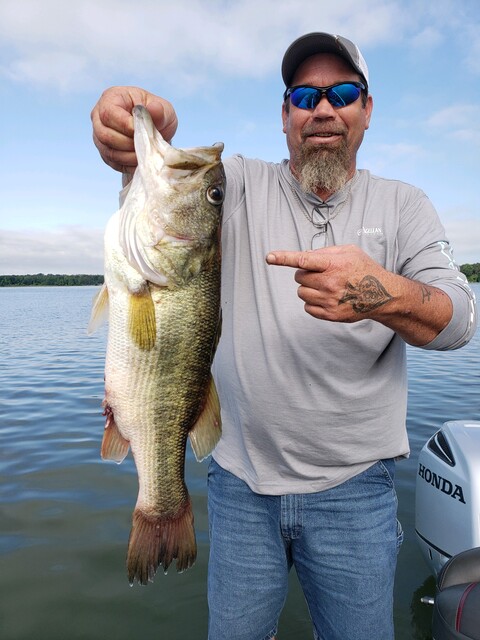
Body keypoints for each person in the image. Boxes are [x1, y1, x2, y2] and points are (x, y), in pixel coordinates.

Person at [91, 32, 477, 640]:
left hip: (358, 492)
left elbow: (461, 319)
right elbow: (160, 172)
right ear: (285, 114)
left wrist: (382, 292)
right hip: (240, 484)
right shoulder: (235, 186)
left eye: (343, 92)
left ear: (366, 110)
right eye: (305, 95)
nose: (323, 109)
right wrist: (138, 121)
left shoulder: (406, 206)